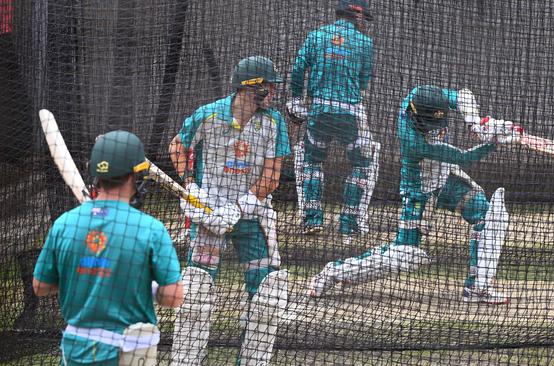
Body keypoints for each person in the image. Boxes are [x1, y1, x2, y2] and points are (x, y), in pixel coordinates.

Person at [308, 85, 522, 304]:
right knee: (406, 255)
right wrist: (492, 142)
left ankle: (478, 287)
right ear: (413, 114)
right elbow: (465, 158)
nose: (433, 130)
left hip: (446, 177)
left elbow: (462, 96)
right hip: (420, 191)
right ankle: (335, 272)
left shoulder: (424, 96)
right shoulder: (413, 140)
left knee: (490, 218)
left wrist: (475, 123)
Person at [168, 55, 291, 365]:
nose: (273, 92)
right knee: (195, 293)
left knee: (268, 296)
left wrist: (238, 208)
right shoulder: (208, 115)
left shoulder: (274, 122)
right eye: (269, 86)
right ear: (251, 87)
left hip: (251, 217)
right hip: (208, 218)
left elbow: (271, 177)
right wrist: (191, 188)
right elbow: (177, 146)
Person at [32, 130, 184, 366]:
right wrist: (150, 288)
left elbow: (41, 286)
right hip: (128, 353)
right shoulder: (150, 229)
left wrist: (79, 275)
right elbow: (173, 297)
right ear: (135, 175)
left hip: (75, 351)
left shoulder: (65, 223)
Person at [287, 0, 379, 236]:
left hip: (319, 110)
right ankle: (349, 223)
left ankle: (313, 220)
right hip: (351, 112)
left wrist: (296, 100)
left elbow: (298, 69)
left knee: (312, 161)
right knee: (361, 163)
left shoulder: (316, 35)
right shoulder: (365, 43)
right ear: (357, 17)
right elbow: (363, 83)